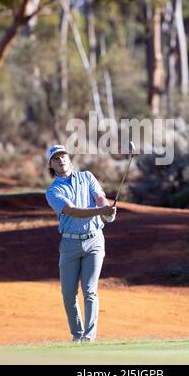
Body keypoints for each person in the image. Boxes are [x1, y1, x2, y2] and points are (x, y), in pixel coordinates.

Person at [45, 144, 117, 343]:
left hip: (94, 240)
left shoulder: (87, 177)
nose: (61, 160)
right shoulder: (53, 191)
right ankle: (76, 334)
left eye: (63, 156)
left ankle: (88, 337)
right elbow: (73, 211)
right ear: (51, 165)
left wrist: (106, 208)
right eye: (56, 158)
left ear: (69, 158)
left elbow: (99, 197)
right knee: (68, 294)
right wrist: (100, 212)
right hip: (70, 245)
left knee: (89, 290)